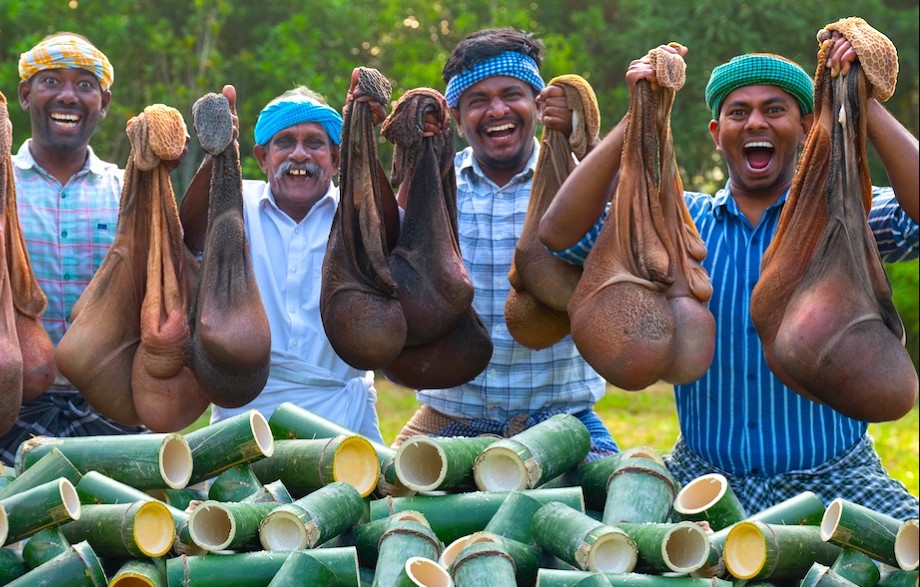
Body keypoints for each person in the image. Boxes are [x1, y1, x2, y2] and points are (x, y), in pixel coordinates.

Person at [538, 36, 919, 519]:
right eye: (739, 112)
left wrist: (864, 104)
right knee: (620, 564)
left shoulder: (846, 220)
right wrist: (639, 114)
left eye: (774, 109)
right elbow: (561, 232)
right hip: (703, 480)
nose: (756, 122)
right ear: (718, 133)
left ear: (805, 127)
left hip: (837, 479)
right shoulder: (676, 227)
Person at [391, 28, 617, 459]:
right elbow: (393, 258)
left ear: (538, 103)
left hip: (563, 423)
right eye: (478, 101)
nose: (497, 110)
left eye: (511, 94)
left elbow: (623, 234)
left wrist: (580, 142)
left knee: (620, 517)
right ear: (457, 119)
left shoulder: (580, 184)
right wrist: (418, 153)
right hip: (449, 419)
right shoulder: (433, 190)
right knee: (381, 508)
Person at [0, 33, 145, 466]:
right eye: (50, 81)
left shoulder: (127, 189)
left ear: (103, 103)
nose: (68, 95)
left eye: (85, 85)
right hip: (5, 402)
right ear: (26, 95)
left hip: (109, 403)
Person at [180, 77, 384, 442]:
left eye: (315, 143)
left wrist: (363, 134)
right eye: (284, 142)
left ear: (336, 159)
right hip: (245, 419)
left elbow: (394, 235)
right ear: (261, 158)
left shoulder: (356, 214)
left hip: (341, 417)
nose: (300, 154)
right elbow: (190, 236)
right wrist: (221, 150)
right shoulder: (236, 204)